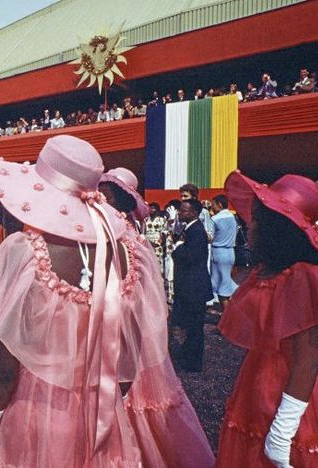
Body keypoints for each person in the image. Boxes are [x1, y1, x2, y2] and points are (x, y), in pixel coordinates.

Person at [0, 135, 169, 466]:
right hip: (103, 414)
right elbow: (129, 356)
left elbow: (5, 365)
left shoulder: (26, 251)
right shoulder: (128, 254)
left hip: (36, 412)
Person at [217, 171, 318, 467]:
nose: (249, 225)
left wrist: (283, 430)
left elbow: (308, 357)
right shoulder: (265, 272)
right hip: (256, 384)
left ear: (276, 228)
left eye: (257, 219)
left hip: (292, 394)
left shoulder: (303, 275)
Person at [99, 167, 214, 467]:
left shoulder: (126, 237)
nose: (99, 196)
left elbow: (140, 295)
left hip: (122, 330)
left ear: (120, 198)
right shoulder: (124, 233)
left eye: (106, 192)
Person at [171, 198, 214, 372]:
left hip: (194, 288)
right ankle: (189, 357)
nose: (181, 213)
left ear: (195, 213)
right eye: (181, 210)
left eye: (185, 211)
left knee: (195, 327)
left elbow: (191, 257)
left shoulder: (196, 231)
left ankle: (193, 362)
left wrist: (178, 247)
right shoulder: (190, 229)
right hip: (191, 287)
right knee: (192, 326)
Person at [210, 194, 239, 311]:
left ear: (219, 205)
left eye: (213, 205)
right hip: (231, 252)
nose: (212, 208)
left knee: (222, 287)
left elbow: (209, 236)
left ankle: (227, 316)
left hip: (218, 252)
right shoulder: (233, 218)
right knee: (224, 281)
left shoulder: (215, 219)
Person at [144, 202, 167, 275]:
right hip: (148, 244)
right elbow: (143, 233)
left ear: (157, 210)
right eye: (150, 208)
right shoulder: (146, 220)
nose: (151, 210)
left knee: (158, 264)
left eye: (153, 208)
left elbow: (164, 233)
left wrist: (159, 243)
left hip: (157, 245)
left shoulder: (162, 220)